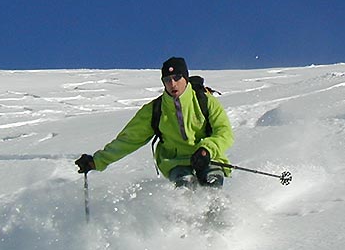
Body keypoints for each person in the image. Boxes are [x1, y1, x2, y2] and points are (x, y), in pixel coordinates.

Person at [75, 56, 234, 188]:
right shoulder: (155, 110)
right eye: (167, 79)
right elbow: (128, 140)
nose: (172, 84)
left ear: (185, 77)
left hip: (208, 157)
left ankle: (220, 222)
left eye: (177, 77)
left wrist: (206, 149)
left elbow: (224, 132)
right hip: (176, 163)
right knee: (185, 190)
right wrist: (97, 161)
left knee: (212, 187)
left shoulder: (204, 100)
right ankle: (184, 225)